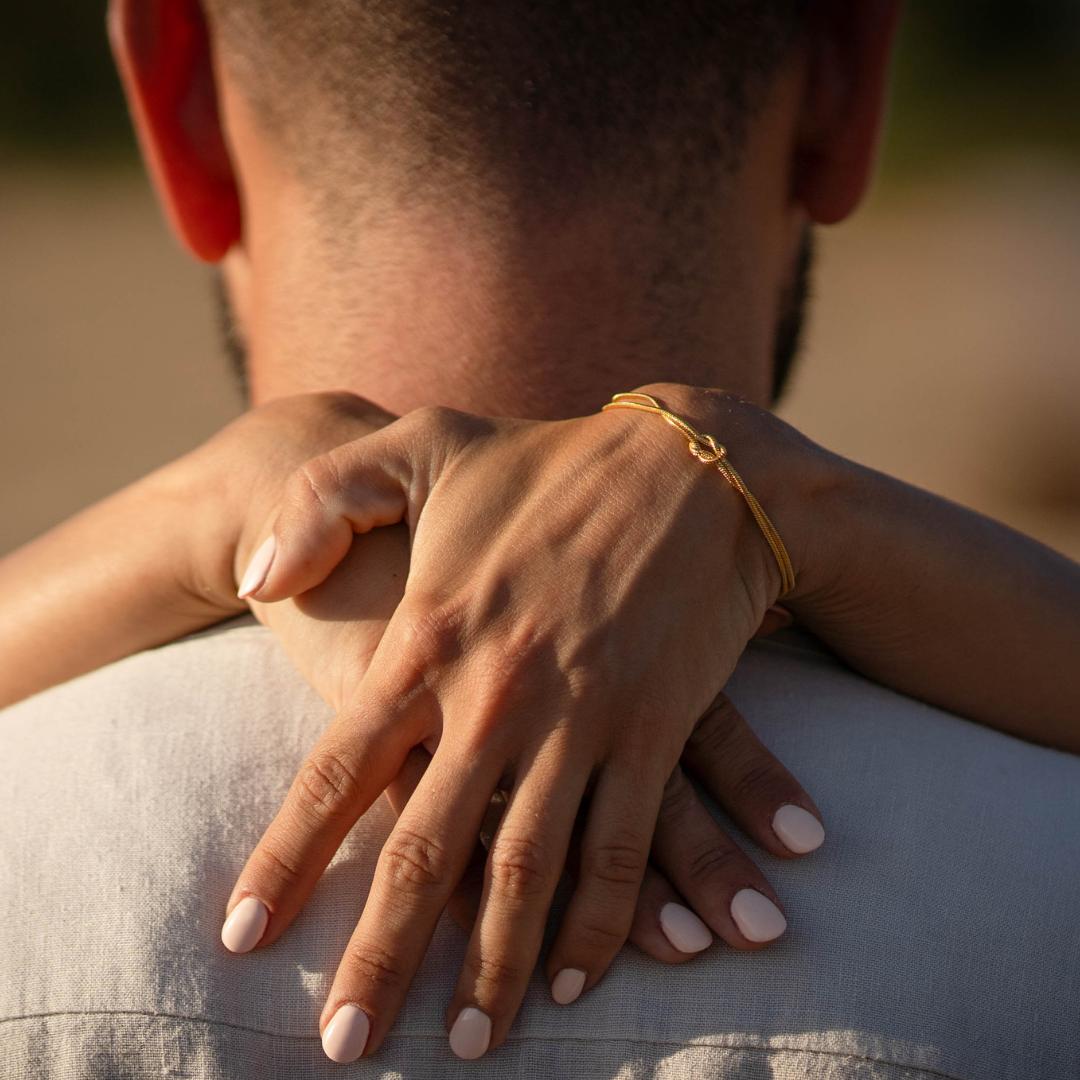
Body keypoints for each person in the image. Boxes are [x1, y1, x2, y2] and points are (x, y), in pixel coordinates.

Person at [1, 2, 1078, 1078]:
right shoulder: (1041, 898)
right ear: (847, 89)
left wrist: (210, 513)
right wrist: (791, 501)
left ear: (170, 101)